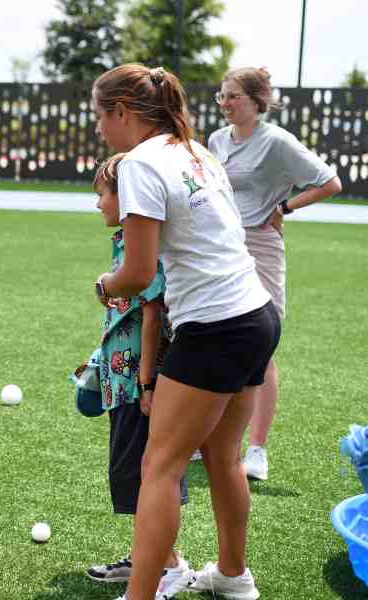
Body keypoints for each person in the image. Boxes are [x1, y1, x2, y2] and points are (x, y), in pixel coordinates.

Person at [91, 65, 281, 600]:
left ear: (122, 113)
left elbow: (139, 273)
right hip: (257, 316)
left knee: (159, 465)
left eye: (100, 117)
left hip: (216, 328)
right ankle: (233, 576)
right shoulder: (197, 151)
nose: (99, 129)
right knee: (224, 457)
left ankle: (141, 596)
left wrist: (104, 286)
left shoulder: (140, 164)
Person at [209, 67, 342, 481]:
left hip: (263, 247)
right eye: (222, 96)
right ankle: (210, 437)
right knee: (214, 336)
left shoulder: (277, 141)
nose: (225, 103)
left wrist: (283, 209)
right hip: (225, 247)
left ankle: (257, 450)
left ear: (256, 101)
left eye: (233, 96)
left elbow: (330, 182)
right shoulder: (216, 141)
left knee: (260, 346)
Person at [83, 153, 193, 599]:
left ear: (123, 197)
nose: (97, 204)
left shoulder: (138, 246)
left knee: (141, 472)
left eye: (101, 195)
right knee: (134, 470)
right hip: (121, 378)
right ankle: (149, 557)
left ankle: (167, 565)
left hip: (136, 384)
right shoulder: (125, 240)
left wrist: (147, 384)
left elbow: (151, 318)